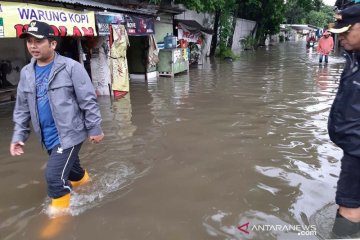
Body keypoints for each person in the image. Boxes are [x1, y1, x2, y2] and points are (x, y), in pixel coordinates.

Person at [9, 20, 104, 216]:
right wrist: (19, 135)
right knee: (71, 170)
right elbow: (22, 108)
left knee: (54, 177)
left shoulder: (71, 68)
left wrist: (94, 128)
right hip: (47, 136)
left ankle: (59, 219)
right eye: (29, 41)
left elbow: (88, 100)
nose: (32, 46)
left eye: (38, 41)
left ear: (52, 44)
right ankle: (87, 184)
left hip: (69, 134)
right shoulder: (27, 72)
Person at [328, 4, 360, 238]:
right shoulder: (355, 56)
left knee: (349, 207)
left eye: (346, 30)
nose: (341, 38)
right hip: (353, 149)